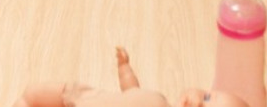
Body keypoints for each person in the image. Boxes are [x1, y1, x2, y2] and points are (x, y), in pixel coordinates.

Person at [15, 46, 249, 107]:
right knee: (34, 92)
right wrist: (125, 69)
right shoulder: (159, 99)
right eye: (207, 97)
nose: (198, 102)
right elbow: (132, 92)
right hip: (83, 98)